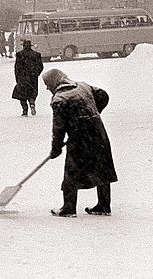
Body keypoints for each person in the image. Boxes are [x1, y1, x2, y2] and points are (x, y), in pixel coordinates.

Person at [42, 69, 116, 218]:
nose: (47, 88)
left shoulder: (59, 99)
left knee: (72, 171)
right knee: (102, 168)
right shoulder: (83, 86)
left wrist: (56, 147)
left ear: (54, 82)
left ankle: (68, 208)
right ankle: (104, 205)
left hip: (80, 140)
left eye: (47, 84)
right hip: (98, 133)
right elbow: (103, 95)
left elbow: (59, 128)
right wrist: (91, 114)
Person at [12, 40, 44, 116]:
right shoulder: (36, 55)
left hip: (22, 78)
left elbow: (17, 68)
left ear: (23, 46)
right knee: (32, 92)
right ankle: (32, 102)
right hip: (33, 78)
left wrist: (17, 77)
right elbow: (41, 67)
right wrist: (36, 74)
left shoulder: (19, 55)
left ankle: (24, 110)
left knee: (22, 95)